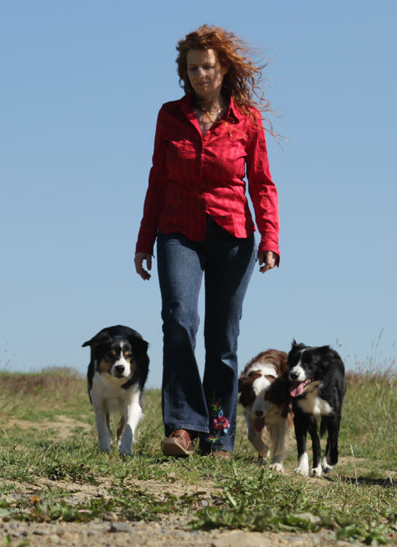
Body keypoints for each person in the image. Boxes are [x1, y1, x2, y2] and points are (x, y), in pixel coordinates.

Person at [134, 25, 280, 459]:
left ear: (223, 70)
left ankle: (218, 437)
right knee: (179, 321)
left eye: (208, 67)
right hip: (177, 230)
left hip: (233, 236)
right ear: (185, 71)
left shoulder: (246, 120)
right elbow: (157, 179)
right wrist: (144, 241)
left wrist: (270, 237)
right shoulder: (169, 116)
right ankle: (181, 427)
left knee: (222, 341)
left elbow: (262, 183)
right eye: (193, 67)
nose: (201, 75)